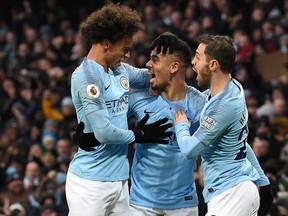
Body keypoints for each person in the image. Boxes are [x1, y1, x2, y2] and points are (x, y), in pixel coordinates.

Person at [65, 3, 172, 216]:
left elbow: (148, 77)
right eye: (124, 50)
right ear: (106, 44)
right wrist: (138, 135)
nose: (127, 55)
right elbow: (103, 132)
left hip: (120, 179)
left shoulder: (119, 70)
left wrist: (165, 65)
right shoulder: (86, 77)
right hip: (90, 183)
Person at [173, 34, 274, 216]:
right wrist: (263, 181)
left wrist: (181, 125)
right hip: (239, 189)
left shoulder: (223, 107)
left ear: (213, 65)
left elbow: (189, 150)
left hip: (231, 194)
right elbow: (240, 143)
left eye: (197, 56)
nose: (193, 63)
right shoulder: (233, 88)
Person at [128, 32, 206, 216]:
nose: (148, 65)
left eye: (154, 60)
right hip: (141, 204)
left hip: (184, 204)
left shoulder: (199, 103)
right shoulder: (139, 98)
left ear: (174, 67)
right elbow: (106, 119)